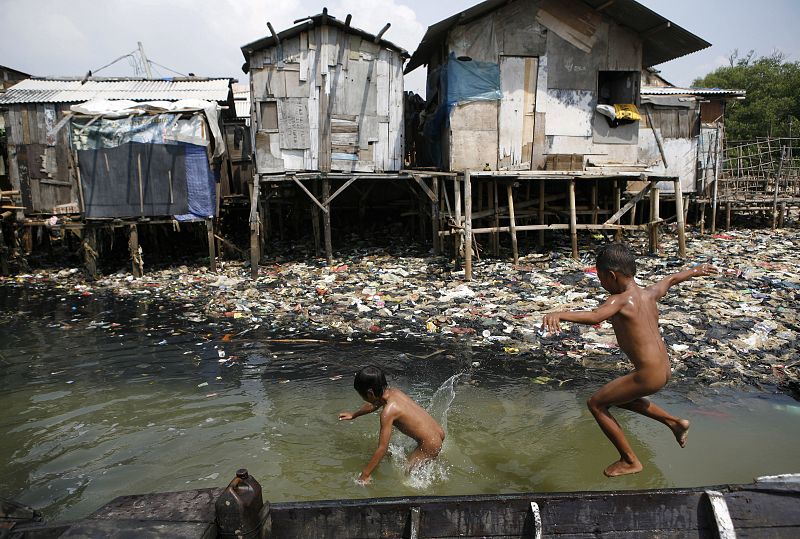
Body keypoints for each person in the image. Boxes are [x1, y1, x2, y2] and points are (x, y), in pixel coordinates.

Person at [542, 243, 716, 477]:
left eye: (601, 278)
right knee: (619, 398)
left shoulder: (619, 300)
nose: (602, 284)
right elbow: (671, 279)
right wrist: (695, 271)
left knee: (596, 403)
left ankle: (630, 460)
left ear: (611, 276)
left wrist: (559, 313)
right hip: (664, 370)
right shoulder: (649, 293)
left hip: (648, 375)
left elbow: (595, 316)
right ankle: (675, 423)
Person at [338, 365, 445, 484]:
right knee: (420, 468)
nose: (364, 399)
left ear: (370, 393)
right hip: (437, 433)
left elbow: (382, 448)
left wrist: (365, 475)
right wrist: (354, 415)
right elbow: (375, 404)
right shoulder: (394, 392)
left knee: (408, 477)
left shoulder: (388, 413)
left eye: (362, 396)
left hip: (430, 444)